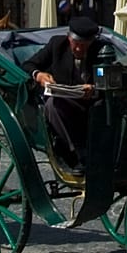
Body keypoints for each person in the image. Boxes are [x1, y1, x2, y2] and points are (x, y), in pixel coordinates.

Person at [22, 16, 107, 170]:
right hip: (65, 104)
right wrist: (39, 75)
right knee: (53, 105)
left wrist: (95, 88)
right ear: (69, 38)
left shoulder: (101, 49)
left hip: (92, 102)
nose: (80, 49)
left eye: (84, 45)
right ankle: (75, 153)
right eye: (76, 45)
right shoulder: (57, 45)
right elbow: (29, 64)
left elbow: (106, 74)